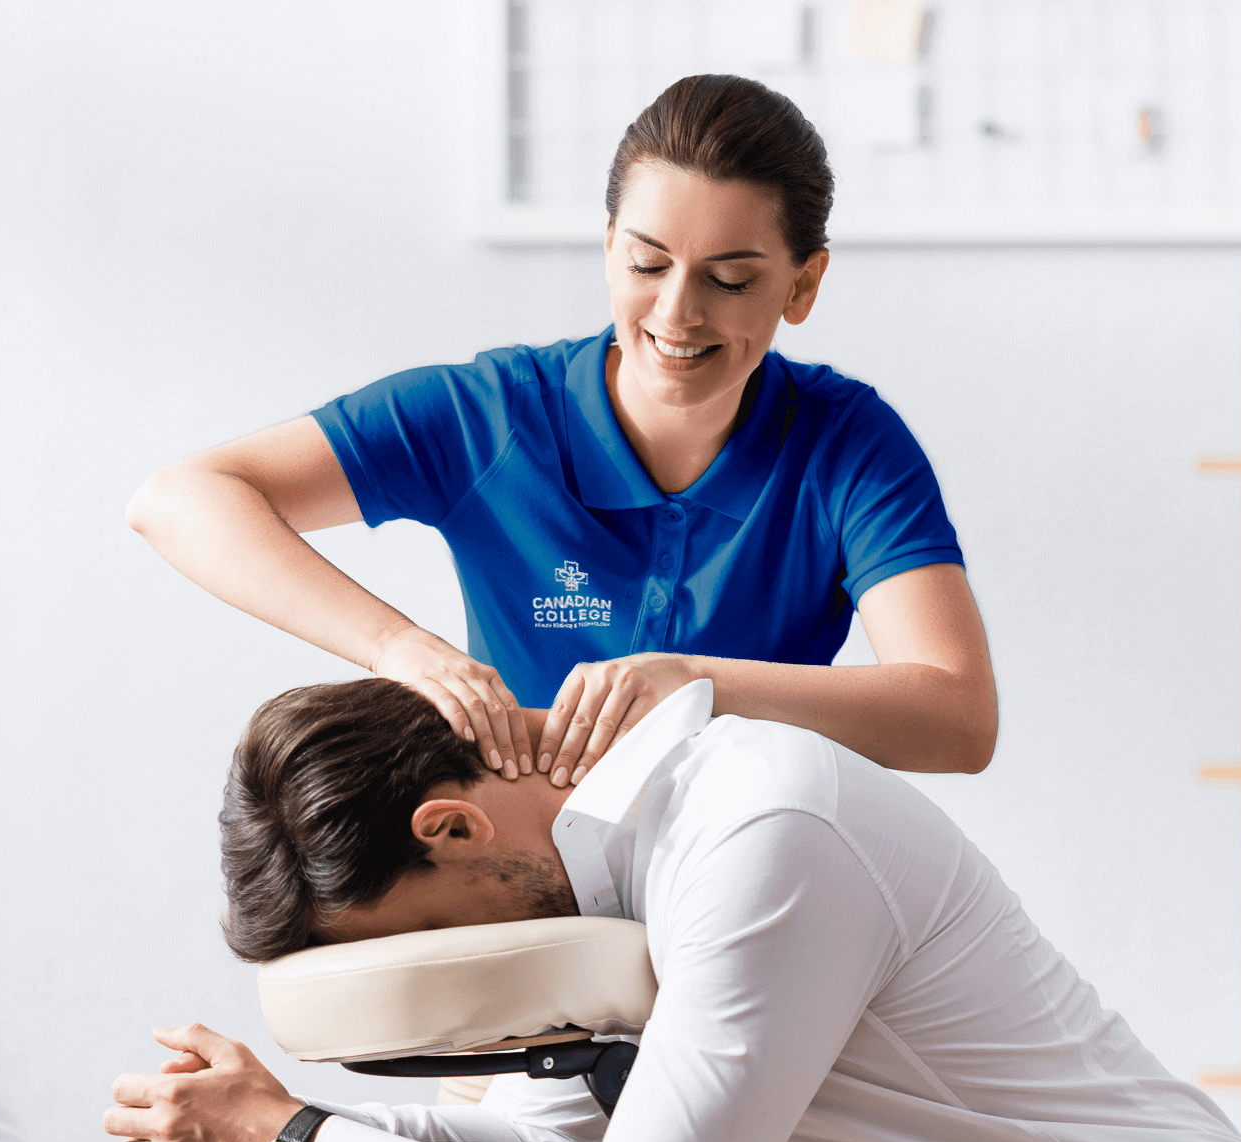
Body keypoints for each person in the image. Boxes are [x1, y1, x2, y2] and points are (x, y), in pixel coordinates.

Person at [104, 678, 1241, 1142]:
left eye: (421, 942)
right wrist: (282, 1126)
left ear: (450, 825)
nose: (448, 985)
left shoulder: (756, 837)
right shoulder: (607, 896)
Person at [126, 74, 997, 795]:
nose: (677, 312)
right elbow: (179, 500)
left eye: (729, 279)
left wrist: (695, 684)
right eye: (647, 263)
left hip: (751, 854)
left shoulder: (847, 444)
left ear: (802, 287)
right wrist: (400, 648)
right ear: (610, 247)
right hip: (524, 858)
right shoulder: (495, 416)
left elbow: (958, 717)